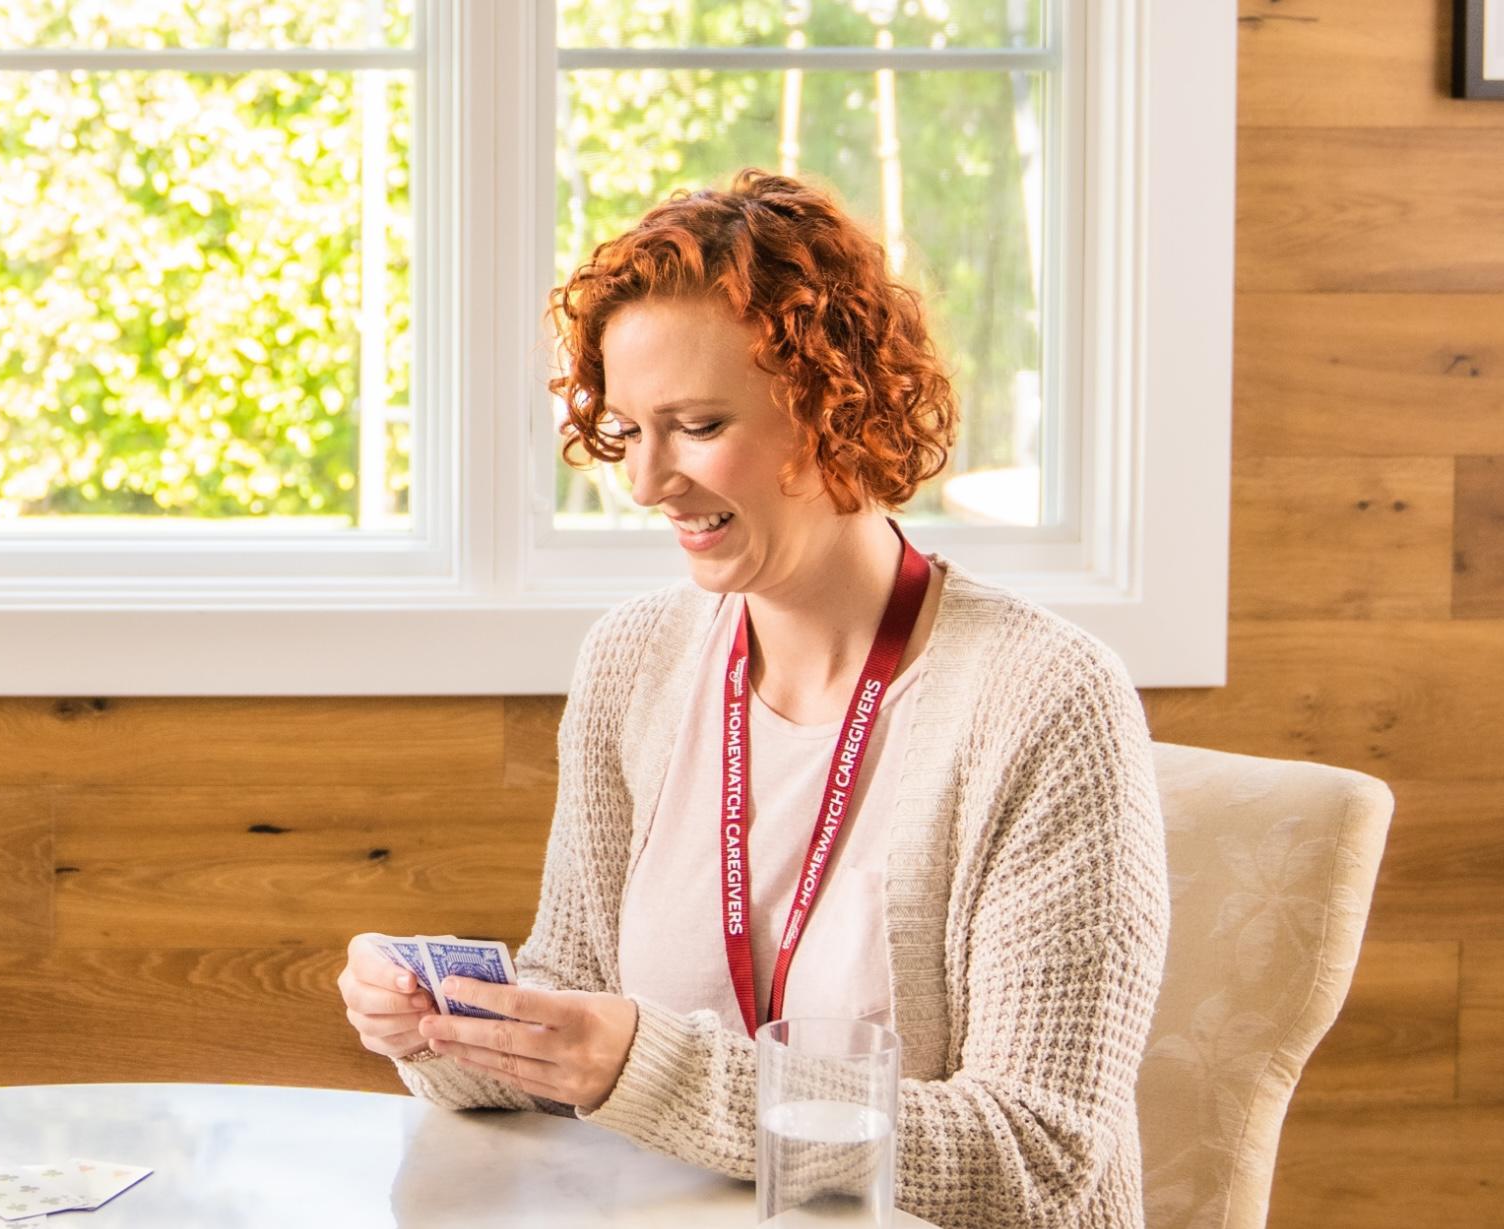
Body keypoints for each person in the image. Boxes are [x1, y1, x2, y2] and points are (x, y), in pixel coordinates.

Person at [336, 172, 1167, 1229]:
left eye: (692, 423)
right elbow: (576, 1000)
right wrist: (442, 1024)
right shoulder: (632, 660)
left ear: (834, 404)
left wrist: (650, 1066)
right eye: (626, 430)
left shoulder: (1042, 700)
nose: (645, 482)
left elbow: (1034, 1153)